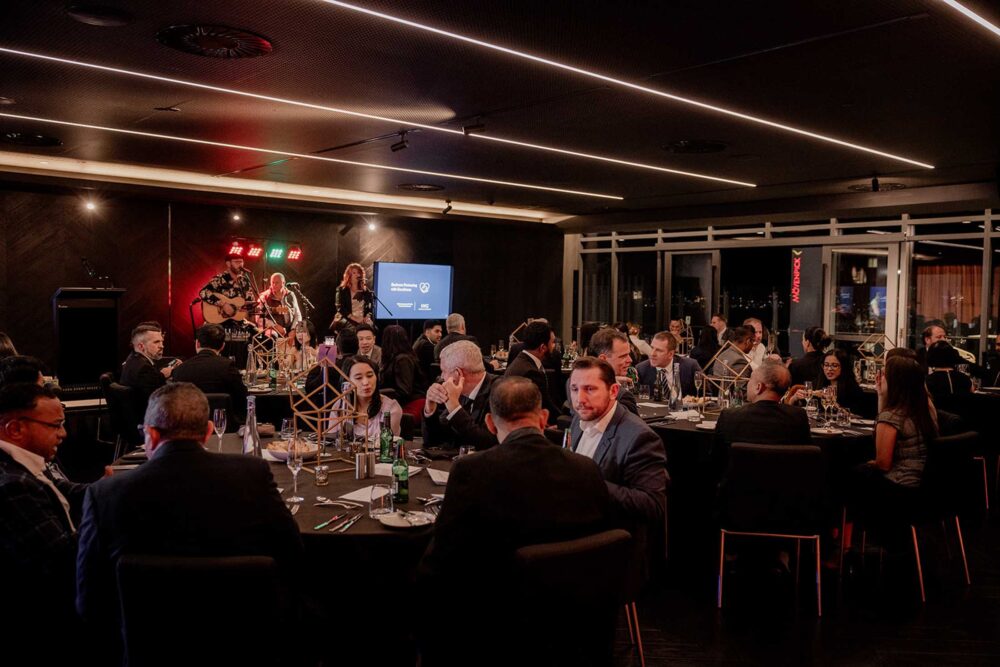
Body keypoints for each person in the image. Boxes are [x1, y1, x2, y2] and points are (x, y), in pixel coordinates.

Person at [75, 383, 305, 660]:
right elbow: (293, 555)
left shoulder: (105, 494)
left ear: (151, 434)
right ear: (208, 432)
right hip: (251, 642)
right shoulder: (252, 474)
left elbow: (90, 602)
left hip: (148, 648)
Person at [417, 377, 611, 664]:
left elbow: (443, 557)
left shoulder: (472, 470)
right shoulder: (587, 468)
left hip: (497, 622)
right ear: (543, 418)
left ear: (490, 424)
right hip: (576, 620)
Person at [1, 384, 88, 651]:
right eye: (55, 425)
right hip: (46, 620)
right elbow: (62, 559)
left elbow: (65, 491)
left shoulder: (21, 461)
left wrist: (119, 489)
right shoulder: (12, 484)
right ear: (15, 429)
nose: (63, 434)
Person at [568, 357, 667, 524]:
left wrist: (589, 483)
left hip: (607, 530)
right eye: (575, 389)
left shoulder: (639, 437)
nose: (580, 399)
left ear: (613, 391)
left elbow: (652, 505)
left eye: (590, 389)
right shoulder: (580, 419)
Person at [848, 355, 938, 535]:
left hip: (900, 489)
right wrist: (882, 396)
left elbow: (883, 464)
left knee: (846, 476)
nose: (880, 379)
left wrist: (870, 463)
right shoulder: (926, 408)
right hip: (929, 487)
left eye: (884, 375)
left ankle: (849, 538)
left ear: (895, 383)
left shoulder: (892, 417)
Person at [713, 361, 811, 472]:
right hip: (784, 480)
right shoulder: (798, 417)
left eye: (750, 379)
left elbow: (716, 462)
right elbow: (806, 461)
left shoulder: (730, 416)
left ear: (758, 387)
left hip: (739, 481)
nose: (748, 383)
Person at [422, 340, 498, 451]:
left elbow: (486, 444)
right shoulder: (459, 390)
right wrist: (430, 409)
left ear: (458, 373)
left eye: (443, 371)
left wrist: (454, 408)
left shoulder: (500, 392)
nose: (441, 377)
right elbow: (433, 441)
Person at [170, 324, 247, 418]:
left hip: (190, 424)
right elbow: (243, 398)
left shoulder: (179, 370)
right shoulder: (228, 367)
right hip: (225, 424)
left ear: (197, 343)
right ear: (222, 346)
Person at [567, 327, 639, 416]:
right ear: (603, 359)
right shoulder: (623, 395)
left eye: (629, 354)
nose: (630, 360)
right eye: (623, 356)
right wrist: (610, 383)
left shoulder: (573, 382)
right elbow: (627, 423)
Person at [504, 321, 562, 423]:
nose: (553, 346)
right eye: (552, 342)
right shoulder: (530, 372)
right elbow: (545, 407)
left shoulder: (521, 361)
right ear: (543, 347)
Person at [332, 356, 401, 441]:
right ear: (346, 382)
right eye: (358, 378)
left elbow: (384, 443)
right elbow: (331, 440)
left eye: (370, 376)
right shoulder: (340, 406)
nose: (366, 382)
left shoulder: (391, 408)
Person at [198, 254, 256, 334]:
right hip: (219, 323)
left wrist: (251, 307)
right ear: (228, 264)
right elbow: (203, 292)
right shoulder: (220, 279)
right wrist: (223, 304)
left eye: (241, 262)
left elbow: (249, 301)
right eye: (237, 262)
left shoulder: (244, 281)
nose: (240, 265)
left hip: (237, 321)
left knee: (259, 334)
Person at [635, 331, 702, 398]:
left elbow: (705, 394)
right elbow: (636, 399)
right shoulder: (641, 369)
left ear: (670, 354)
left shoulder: (690, 366)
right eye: (652, 348)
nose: (652, 354)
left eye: (659, 350)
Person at [379, 324, 428, 409]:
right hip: (399, 403)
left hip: (410, 403)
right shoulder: (394, 359)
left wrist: (381, 396)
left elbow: (405, 392)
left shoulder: (403, 360)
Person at [120, 322, 173, 400]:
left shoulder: (132, 358)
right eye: (156, 342)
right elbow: (158, 399)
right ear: (141, 346)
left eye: (162, 341)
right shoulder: (144, 369)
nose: (162, 346)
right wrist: (162, 376)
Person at [331, 262, 374, 332]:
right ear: (349, 275)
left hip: (362, 319)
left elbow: (370, 306)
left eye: (359, 273)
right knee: (353, 329)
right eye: (354, 273)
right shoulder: (342, 290)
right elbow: (340, 308)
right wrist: (355, 319)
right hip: (348, 318)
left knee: (373, 329)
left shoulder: (365, 290)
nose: (357, 275)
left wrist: (367, 316)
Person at [256, 272, 301, 337]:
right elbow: (258, 318)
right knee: (273, 335)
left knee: (305, 330)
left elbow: (297, 314)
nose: (274, 285)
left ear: (283, 283)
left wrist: (294, 329)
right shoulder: (264, 296)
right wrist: (274, 326)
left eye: (277, 283)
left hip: (290, 329)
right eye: (272, 282)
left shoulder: (290, 295)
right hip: (273, 330)